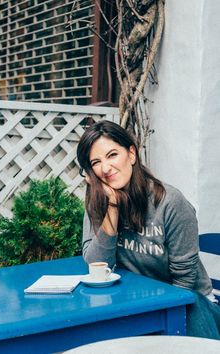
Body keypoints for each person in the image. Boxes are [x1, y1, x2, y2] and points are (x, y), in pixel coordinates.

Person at [77, 119, 220, 339]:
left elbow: (185, 284)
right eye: (96, 162)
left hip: (189, 305)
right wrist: (112, 208)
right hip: (137, 303)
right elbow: (96, 264)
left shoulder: (170, 202)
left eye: (112, 155)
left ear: (131, 154)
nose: (105, 168)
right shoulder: (100, 200)